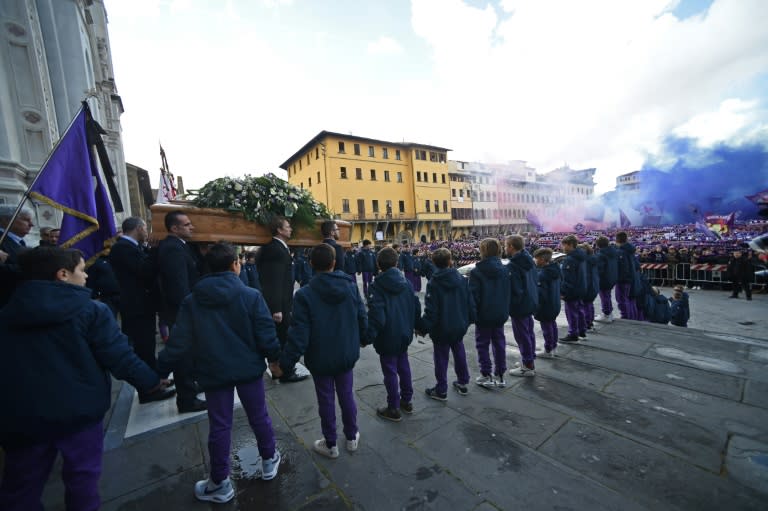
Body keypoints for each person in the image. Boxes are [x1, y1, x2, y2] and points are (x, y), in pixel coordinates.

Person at [0, 247, 169, 511]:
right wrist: (151, 381)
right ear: (63, 274)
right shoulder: (90, 310)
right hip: (78, 411)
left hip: (21, 415)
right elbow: (119, 357)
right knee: (83, 482)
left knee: (21, 489)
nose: (87, 277)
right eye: (82, 270)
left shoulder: (7, 311)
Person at [157, 243, 283, 503]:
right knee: (259, 415)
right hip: (248, 369)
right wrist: (275, 360)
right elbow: (266, 334)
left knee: (220, 425)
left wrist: (157, 372)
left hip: (214, 372)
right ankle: (269, 459)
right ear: (235, 265)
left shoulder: (193, 301)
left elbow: (178, 342)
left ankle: (219, 482)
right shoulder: (251, 296)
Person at [279, 243, 367, 458]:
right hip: (345, 352)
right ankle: (352, 435)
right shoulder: (349, 286)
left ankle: (331, 443)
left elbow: (298, 333)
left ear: (311, 265)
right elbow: (361, 316)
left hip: (320, 356)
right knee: (347, 395)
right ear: (334, 262)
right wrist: (365, 338)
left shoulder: (304, 294)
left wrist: (285, 364)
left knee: (325, 399)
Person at [109, 217, 175, 404]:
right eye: (145, 228)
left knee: (148, 346)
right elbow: (144, 271)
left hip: (142, 306)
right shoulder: (122, 248)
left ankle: (155, 381)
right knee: (143, 348)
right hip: (135, 307)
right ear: (138, 228)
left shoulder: (132, 247)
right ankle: (149, 390)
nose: (147, 232)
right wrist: (153, 251)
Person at [156, 210, 207, 413]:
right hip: (180, 312)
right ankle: (187, 400)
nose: (192, 227)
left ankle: (191, 386)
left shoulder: (180, 246)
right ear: (174, 228)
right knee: (183, 355)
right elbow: (179, 287)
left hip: (183, 310)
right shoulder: (173, 249)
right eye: (187, 224)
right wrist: (191, 311)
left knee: (190, 353)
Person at [365, 247, 421, 421]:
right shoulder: (407, 283)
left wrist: (366, 337)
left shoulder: (376, 286)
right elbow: (416, 307)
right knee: (404, 366)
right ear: (396, 263)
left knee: (390, 371)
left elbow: (377, 317)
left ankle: (394, 407)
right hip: (404, 333)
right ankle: (407, 400)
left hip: (387, 335)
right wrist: (417, 326)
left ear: (378, 265)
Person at [257, 216, 308, 383]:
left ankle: (281, 369)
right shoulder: (275, 250)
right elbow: (274, 281)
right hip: (279, 305)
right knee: (283, 338)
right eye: (288, 226)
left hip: (284, 302)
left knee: (283, 336)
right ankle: (284, 372)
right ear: (279, 230)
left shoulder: (279, 248)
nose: (291, 229)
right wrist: (276, 308)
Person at [419, 248, 475, 399]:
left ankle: (441, 389)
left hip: (441, 327)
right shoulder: (462, 279)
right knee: (459, 351)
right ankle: (463, 382)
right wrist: (469, 320)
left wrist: (422, 328)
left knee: (441, 358)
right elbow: (470, 303)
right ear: (450, 261)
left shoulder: (434, 283)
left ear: (434, 263)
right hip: (459, 324)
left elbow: (432, 311)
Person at [469, 238, 510, 387]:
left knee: (482, 344)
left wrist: (472, 316)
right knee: (499, 343)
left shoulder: (476, 272)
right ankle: (500, 375)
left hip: (484, 314)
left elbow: (474, 297)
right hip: (500, 313)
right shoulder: (505, 270)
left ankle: (486, 374)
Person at [506, 235, 540, 376]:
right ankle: (529, 358)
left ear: (512, 247)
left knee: (522, 335)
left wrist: (511, 305)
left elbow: (515, 290)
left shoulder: (514, 265)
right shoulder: (528, 259)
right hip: (530, 300)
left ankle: (527, 366)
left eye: (506, 245)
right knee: (528, 332)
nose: (505, 248)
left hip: (520, 305)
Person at [533, 247, 561, 358]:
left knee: (547, 327)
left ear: (543, 260)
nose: (536, 261)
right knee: (552, 325)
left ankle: (548, 349)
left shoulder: (543, 275)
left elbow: (541, 294)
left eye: (537, 259)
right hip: (554, 302)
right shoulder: (556, 269)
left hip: (545, 306)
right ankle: (553, 346)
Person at [560, 235, 587, 343]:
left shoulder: (570, 259)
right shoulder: (581, 256)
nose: (563, 248)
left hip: (572, 290)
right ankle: (582, 330)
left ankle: (573, 334)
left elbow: (568, 279)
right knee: (580, 310)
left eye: (564, 245)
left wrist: (563, 292)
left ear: (570, 245)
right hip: (581, 287)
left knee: (571, 313)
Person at [615, 231, 639, 320]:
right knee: (630, 299)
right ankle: (632, 317)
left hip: (623, 279)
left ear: (617, 240)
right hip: (632, 277)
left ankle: (625, 317)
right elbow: (637, 265)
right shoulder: (630, 251)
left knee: (622, 300)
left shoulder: (621, 252)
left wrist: (618, 278)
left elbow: (622, 268)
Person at [594, 236, 618, 323]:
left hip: (604, 279)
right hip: (612, 277)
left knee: (604, 296)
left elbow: (599, 270)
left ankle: (607, 314)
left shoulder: (601, 255)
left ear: (598, 245)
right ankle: (609, 313)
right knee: (607, 296)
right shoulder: (613, 252)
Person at [580, 243, 600, 331]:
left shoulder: (586, 261)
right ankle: (590, 322)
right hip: (594, 285)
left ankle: (587, 324)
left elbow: (586, 276)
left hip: (588, 286)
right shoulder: (593, 259)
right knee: (589, 304)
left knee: (586, 305)